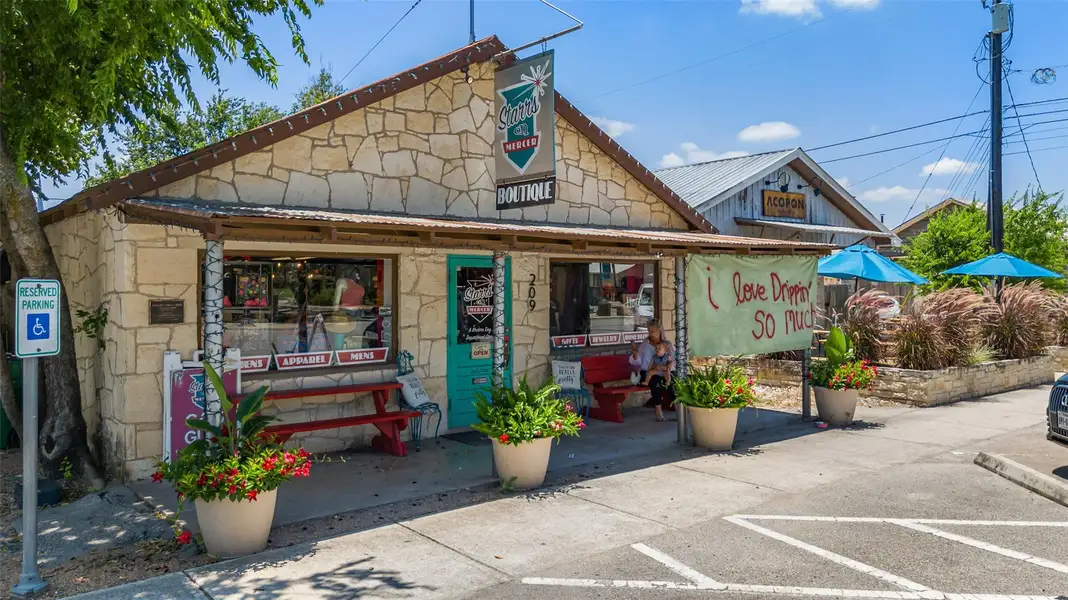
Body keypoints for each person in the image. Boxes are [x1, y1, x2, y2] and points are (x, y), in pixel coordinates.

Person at [629, 319, 675, 421]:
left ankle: (677, 406)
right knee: (656, 382)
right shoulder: (645, 343)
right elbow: (637, 361)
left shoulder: (667, 344)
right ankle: (658, 411)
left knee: (674, 379)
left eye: (653, 331)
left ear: (659, 331)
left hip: (663, 371)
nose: (650, 334)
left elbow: (674, 360)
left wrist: (666, 367)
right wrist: (635, 355)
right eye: (649, 331)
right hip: (647, 372)